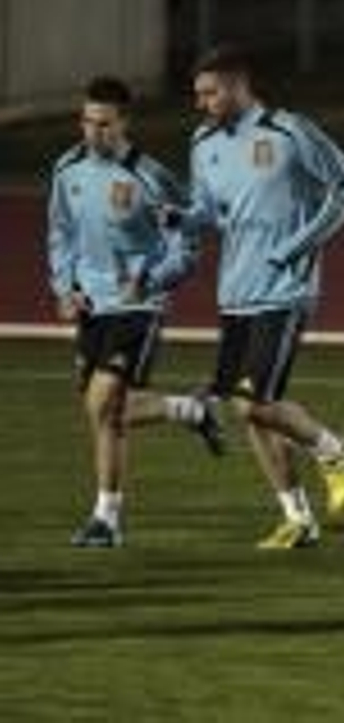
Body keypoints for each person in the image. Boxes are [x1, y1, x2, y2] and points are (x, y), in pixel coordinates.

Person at [170, 44, 344, 549]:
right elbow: (210, 212)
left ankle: (331, 446)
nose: (202, 103)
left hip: (285, 290)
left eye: (210, 92)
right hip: (236, 291)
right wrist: (176, 217)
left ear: (238, 85)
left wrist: (300, 245)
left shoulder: (289, 130)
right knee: (248, 408)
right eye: (198, 94)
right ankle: (297, 519)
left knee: (255, 401)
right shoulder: (203, 141)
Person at [47, 75, 223, 548]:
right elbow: (61, 234)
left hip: (138, 306)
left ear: (124, 122)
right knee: (106, 412)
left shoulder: (151, 177)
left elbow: (187, 244)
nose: (92, 132)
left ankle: (106, 516)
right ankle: (189, 410)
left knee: (103, 402)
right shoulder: (68, 169)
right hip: (91, 305)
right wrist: (65, 288)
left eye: (103, 124)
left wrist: (150, 279)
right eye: (87, 122)